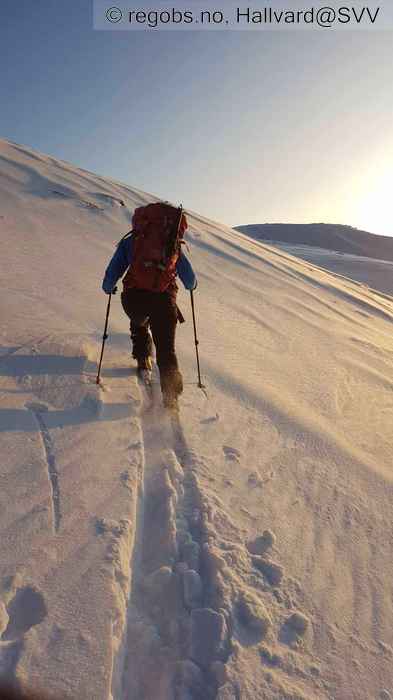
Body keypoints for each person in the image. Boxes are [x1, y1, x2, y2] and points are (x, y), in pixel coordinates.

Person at [102, 203, 197, 408]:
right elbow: (190, 281)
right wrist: (192, 284)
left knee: (139, 322)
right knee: (166, 348)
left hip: (134, 300)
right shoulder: (172, 244)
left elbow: (112, 273)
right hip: (164, 303)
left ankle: (143, 356)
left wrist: (108, 288)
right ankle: (170, 394)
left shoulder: (132, 241)